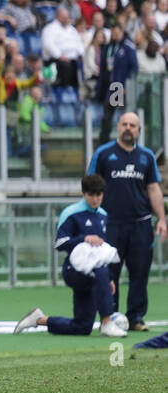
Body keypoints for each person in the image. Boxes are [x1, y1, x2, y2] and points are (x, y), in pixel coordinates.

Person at [14, 175, 126, 338]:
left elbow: (100, 253)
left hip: (94, 274)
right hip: (73, 270)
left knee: (82, 327)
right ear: (83, 193)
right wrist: (84, 238)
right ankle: (107, 323)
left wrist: (108, 279)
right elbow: (59, 243)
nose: (95, 199)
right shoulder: (72, 213)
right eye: (91, 195)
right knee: (100, 272)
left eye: (99, 195)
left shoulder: (103, 215)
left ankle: (39, 319)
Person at [86, 112, 166, 332]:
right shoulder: (104, 154)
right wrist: (90, 219)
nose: (128, 128)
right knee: (109, 273)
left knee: (140, 273)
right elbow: (90, 185)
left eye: (133, 125)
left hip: (140, 224)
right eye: (124, 124)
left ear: (139, 130)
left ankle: (136, 317)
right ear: (118, 127)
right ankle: (109, 316)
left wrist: (161, 219)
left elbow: (153, 188)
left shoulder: (147, 156)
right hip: (109, 225)